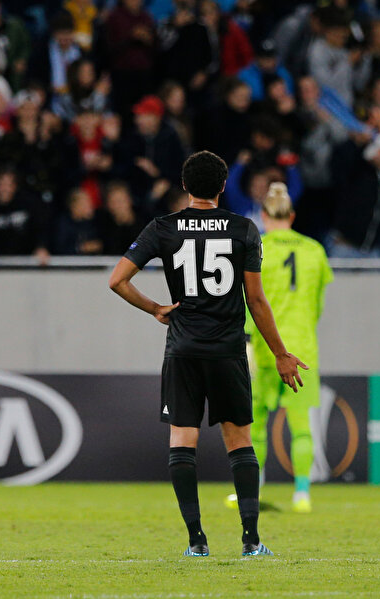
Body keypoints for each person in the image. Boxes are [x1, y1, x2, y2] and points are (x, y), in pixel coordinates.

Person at [108, 150, 307, 558]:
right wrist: (281, 353)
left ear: (185, 186)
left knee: (183, 440)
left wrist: (155, 308)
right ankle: (251, 540)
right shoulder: (243, 229)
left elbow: (117, 280)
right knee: (239, 441)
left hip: (182, 348)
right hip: (227, 349)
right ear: (222, 187)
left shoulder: (163, 227)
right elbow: (255, 298)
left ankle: (196, 540)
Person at [225, 183, 332, 514]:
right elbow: (318, 306)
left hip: (261, 348)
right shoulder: (315, 250)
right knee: (301, 427)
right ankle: (302, 494)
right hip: (302, 350)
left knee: (254, 426)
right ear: (292, 215)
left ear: (265, 216)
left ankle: (252, 491)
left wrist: (245, 339)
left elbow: (248, 300)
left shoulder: (257, 247)